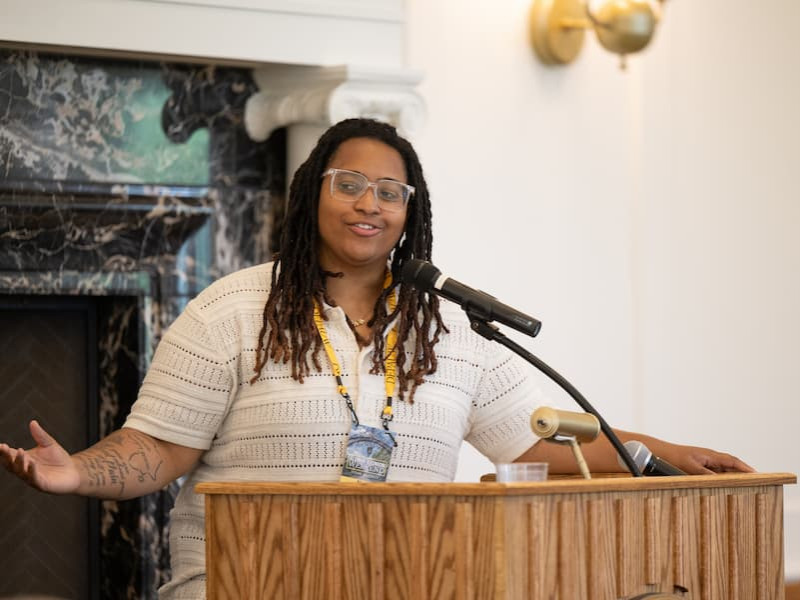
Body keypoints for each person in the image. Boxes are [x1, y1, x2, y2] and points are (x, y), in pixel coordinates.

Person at [0, 118, 753, 598]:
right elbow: (160, 448)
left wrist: (669, 453)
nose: (369, 203)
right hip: (244, 587)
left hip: (410, 583)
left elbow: (539, 441)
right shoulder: (235, 307)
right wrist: (78, 473)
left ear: (409, 211)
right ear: (311, 196)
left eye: (389, 191)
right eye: (350, 185)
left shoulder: (450, 327)